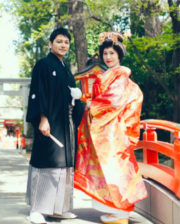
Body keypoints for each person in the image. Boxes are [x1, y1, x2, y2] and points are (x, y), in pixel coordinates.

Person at [74, 32, 148, 224]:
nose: (108, 57)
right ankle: (114, 210)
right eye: (105, 53)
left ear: (119, 55)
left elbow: (114, 101)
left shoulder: (120, 75)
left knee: (115, 169)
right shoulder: (111, 74)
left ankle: (120, 212)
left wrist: (92, 105)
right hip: (109, 129)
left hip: (114, 131)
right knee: (109, 169)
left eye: (111, 53)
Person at [25, 27, 84, 224]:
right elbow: (37, 92)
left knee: (65, 164)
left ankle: (60, 207)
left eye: (66, 42)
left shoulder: (66, 70)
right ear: (50, 44)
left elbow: (70, 97)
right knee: (46, 162)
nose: (63, 45)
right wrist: (42, 117)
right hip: (49, 121)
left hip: (65, 122)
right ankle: (38, 208)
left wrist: (77, 99)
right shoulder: (43, 65)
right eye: (59, 41)